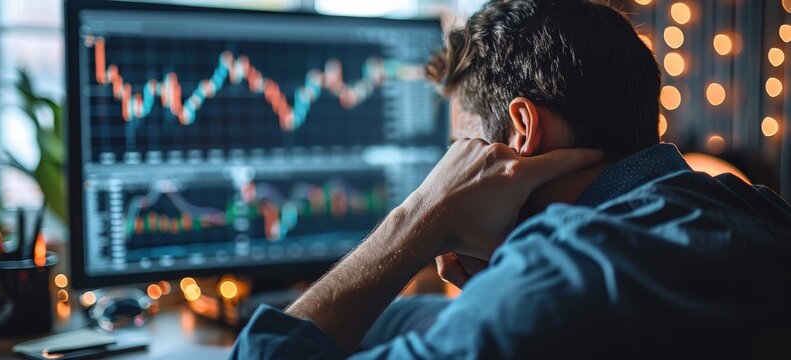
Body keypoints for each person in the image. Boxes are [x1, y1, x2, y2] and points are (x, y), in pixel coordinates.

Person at [231, 0, 791, 358]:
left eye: (462, 147)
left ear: (521, 132)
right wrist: (501, 282)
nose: (451, 169)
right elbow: (409, 321)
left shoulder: (563, 277)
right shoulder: (755, 211)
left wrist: (418, 218)